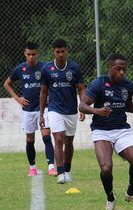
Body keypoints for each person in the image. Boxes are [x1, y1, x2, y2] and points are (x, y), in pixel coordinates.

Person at [79, 53, 133, 210]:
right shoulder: (98, 84)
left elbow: (128, 106)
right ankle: (110, 199)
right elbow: (82, 105)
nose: (122, 72)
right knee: (106, 168)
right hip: (101, 130)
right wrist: (96, 111)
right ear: (110, 67)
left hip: (121, 129)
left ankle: (131, 193)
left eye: (124, 69)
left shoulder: (127, 86)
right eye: (118, 69)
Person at [4, 42, 57, 177]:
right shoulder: (20, 69)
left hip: (43, 108)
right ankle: (32, 167)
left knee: (46, 135)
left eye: (33, 54)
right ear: (25, 54)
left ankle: (51, 166)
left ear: (37, 54)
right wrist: (18, 98)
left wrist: (51, 96)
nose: (31, 57)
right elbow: (7, 84)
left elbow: (52, 83)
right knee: (29, 139)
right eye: (29, 54)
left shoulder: (44, 68)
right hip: (28, 110)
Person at [39, 39, 86, 184]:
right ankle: (60, 174)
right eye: (57, 52)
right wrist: (41, 114)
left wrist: (82, 107)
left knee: (69, 141)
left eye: (63, 51)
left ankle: (67, 171)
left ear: (67, 51)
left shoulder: (74, 68)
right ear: (54, 52)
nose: (60, 54)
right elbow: (43, 92)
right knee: (58, 139)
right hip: (54, 110)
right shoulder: (47, 69)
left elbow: (81, 89)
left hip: (71, 111)